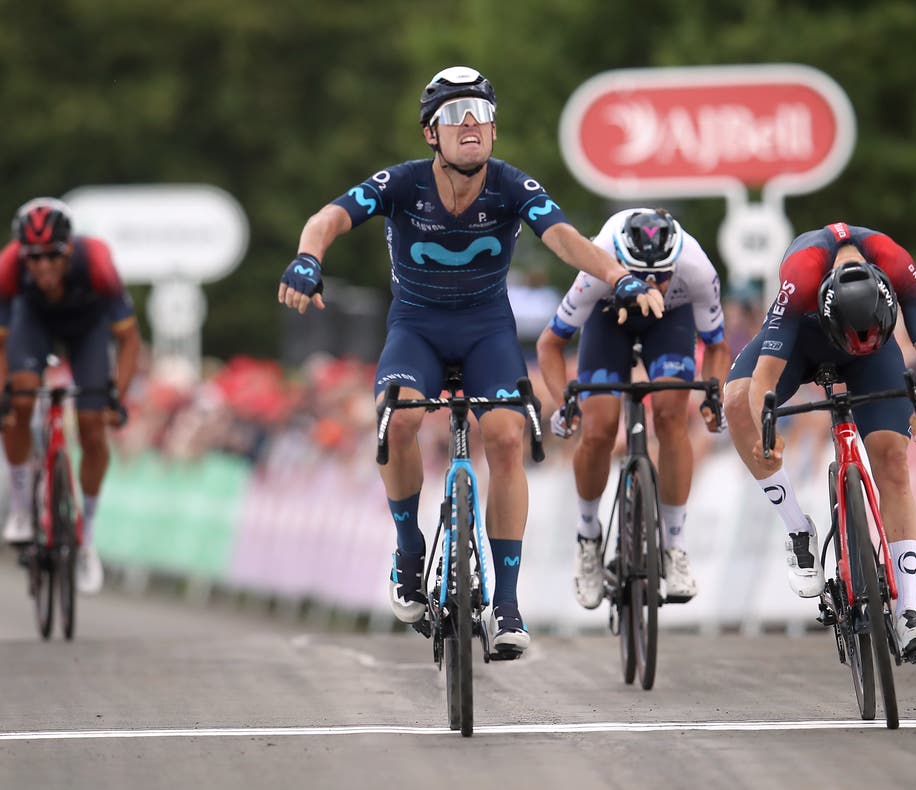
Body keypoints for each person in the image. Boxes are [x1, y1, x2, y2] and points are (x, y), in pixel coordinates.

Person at [276, 66, 663, 657]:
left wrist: (618, 277)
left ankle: (506, 605)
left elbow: (563, 237)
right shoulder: (403, 184)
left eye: (481, 114)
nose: (471, 125)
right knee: (400, 420)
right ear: (430, 134)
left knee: (507, 440)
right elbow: (327, 218)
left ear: (494, 129)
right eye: (455, 116)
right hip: (417, 330)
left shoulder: (511, 186)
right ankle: (408, 551)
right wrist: (308, 258)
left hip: (486, 331)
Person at [722, 222, 916, 663]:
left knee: (893, 460)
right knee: (733, 401)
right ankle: (796, 528)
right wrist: (766, 433)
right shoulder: (802, 272)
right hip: (802, 344)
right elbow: (764, 376)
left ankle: (910, 612)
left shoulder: (896, 262)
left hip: (874, 352)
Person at [535, 208, 729, 608]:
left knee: (672, 418)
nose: (652, 284)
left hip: (669, 322)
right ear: (620, 263)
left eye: (661, 276)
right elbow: (549, 345)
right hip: (609, 318)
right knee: (599, 428)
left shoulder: (696, 266)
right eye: (641, 276)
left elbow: (717, 345)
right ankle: (589, 538)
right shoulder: (596, 265)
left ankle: (674, 547)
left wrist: (714, 396)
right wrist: (564, 402)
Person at [0, 197, 140, 594]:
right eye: (33, 258)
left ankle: (85, 539)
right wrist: (0, 401)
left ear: (69, 248)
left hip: (87, 329)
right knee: (19, 402)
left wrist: (115, 399)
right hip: (31, 324)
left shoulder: (99, 264)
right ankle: (21, 507)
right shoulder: (6, 268)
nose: (42, 267)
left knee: (91, 426)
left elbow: (128, 340)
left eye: (51, 256)